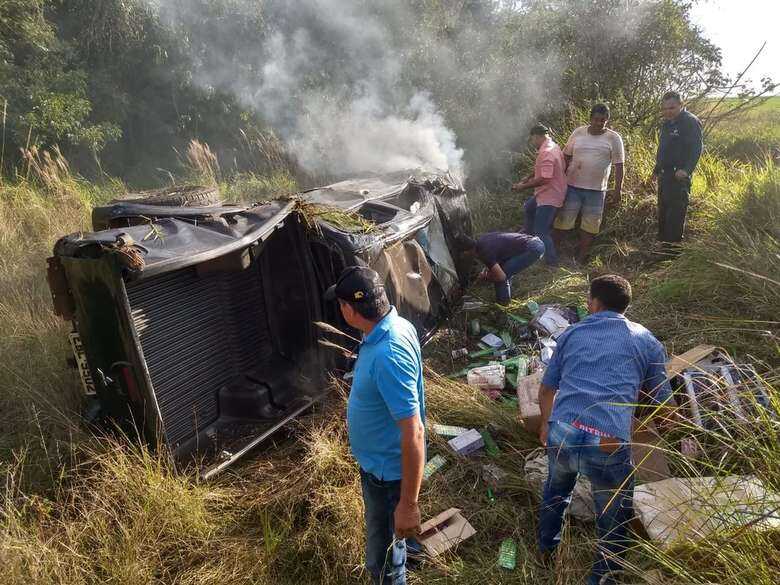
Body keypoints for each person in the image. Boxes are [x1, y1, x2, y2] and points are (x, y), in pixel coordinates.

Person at [537, 274, 673, 585]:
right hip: (607, 440)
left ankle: (547, 549)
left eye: (588, 300)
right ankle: (601, 577)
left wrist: (546, 425)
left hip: (564, 431)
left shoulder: (571, 334)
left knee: (556, 492)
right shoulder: (646, 341)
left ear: (594, 303)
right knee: (613, 516)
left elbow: (546, 390)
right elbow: (664, 407)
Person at [325, 266, 425, 585]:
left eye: (340, 304)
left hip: (388, 475)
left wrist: (408, 505)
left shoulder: (388, 353)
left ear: (349, 310)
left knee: (381, 559)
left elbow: (414, 432)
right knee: (395, 541)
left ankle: (396, 568)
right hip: (384, 464)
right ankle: (410, 548)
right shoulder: (394, 326)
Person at [554, 104, 625, 264]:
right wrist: (558, 180)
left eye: (603, 120)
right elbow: (565, 157)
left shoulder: (614, 138)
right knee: (563, 221)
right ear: (590, 118)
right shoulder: (578, 133)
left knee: (590, 226)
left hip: (597, 190)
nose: (599, 123)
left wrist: (618, 190)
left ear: (607, 120)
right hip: (572, 186)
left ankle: (580, 259)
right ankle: (553, 254)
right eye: (596, 119)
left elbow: (619, 165)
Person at [652, 91, 703, 253]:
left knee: (675, 213)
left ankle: (671, 253)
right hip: (665, 175)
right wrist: (656, 170)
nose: (668, 111)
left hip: (678, 176)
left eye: (672, 107)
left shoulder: (690, 122)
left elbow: (696, 149)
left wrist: (686, 170)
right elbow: (663, 149)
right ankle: (663, 248)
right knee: (664, 211)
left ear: (681, 105)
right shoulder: (667, 123)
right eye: (665, 108)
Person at [512, 124, 567, 266]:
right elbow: (543, 169)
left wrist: (522, 186)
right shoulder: (552, 146)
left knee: (541, 231)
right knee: (529, 208)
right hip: (548, 192)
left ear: (537, 136)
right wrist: (528, 177)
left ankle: (551, 263)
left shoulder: (547, 152)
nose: (532, 143)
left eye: (532, 140)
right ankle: (527, 242)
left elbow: (545, 178)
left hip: (550, 196)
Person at [456, 232, 544, 304]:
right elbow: (497, 255)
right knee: (503, 271)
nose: (464, 257)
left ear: (468, 251)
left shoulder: (484, 253)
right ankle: (506, 299)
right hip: (535, 242)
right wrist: (489, 272)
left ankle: (503, 307)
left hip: (533, 248)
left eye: (463, 254)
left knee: (501, 277)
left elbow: (501, 277)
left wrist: (486, 277)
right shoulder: (482, 240)